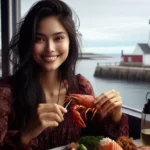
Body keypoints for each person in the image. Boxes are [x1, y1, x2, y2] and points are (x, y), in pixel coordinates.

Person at [0, 0, 129, 149]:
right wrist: (26, 134)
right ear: (28, 42)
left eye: (58, 38)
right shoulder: (5, 93)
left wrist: (116, 113)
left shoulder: (81, 87)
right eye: (39, 39)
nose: (50, 48)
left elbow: (105, 143)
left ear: (70, 42)